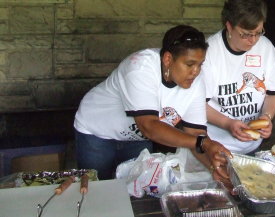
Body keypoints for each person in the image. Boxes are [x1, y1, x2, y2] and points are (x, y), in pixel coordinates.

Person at [74, 25, 231, 180]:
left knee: (135, 189)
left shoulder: (196, 82)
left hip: (136, 139)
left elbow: (196, 134)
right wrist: (203, 143)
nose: (196, 72)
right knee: (98, 189)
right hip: (97, 132)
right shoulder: (140, 67)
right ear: (168, 59)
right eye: (190, 64)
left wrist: (214, 168)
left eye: (200, 64)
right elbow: (149, 126)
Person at [202, 0, 275, 156]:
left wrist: (266, 117)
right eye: (246, 34)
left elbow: (273, 93)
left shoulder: (266, 48)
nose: (253, 40)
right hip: (216, 145)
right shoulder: (209, 52)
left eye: (259, 32)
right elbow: (197, 104)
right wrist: (227, 123)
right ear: (229, 27)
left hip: (253, 146)